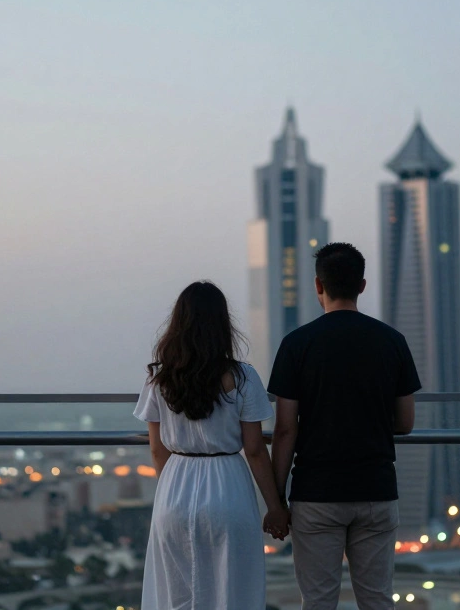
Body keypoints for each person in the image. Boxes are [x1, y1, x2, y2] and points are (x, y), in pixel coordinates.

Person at [269, 242, 421, 609]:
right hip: (376, 489)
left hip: (316, 493)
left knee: (319, 601)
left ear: (318, 286)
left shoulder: (296, 345)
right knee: (377, 599)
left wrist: (276, 500)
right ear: (362, 285)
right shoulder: (392, 342)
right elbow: (405, 422)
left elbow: (286, 430)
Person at [135, 281, 291, 609]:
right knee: (231, 590)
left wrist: (174, 486)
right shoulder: (244, 377)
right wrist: (275, 507)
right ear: (223, 324)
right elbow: (254, 450)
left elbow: (156, 448)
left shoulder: (159, 378)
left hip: (175, 487)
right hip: (228, 486)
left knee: (177, 593)